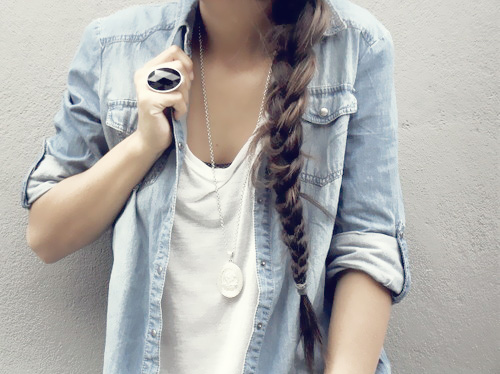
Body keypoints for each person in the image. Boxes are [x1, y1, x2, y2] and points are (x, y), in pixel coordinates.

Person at [20, 0, 412, 372]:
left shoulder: (356, 45)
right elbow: (46, 234)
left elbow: (368, 245)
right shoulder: (114, 47)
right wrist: (142, 145)